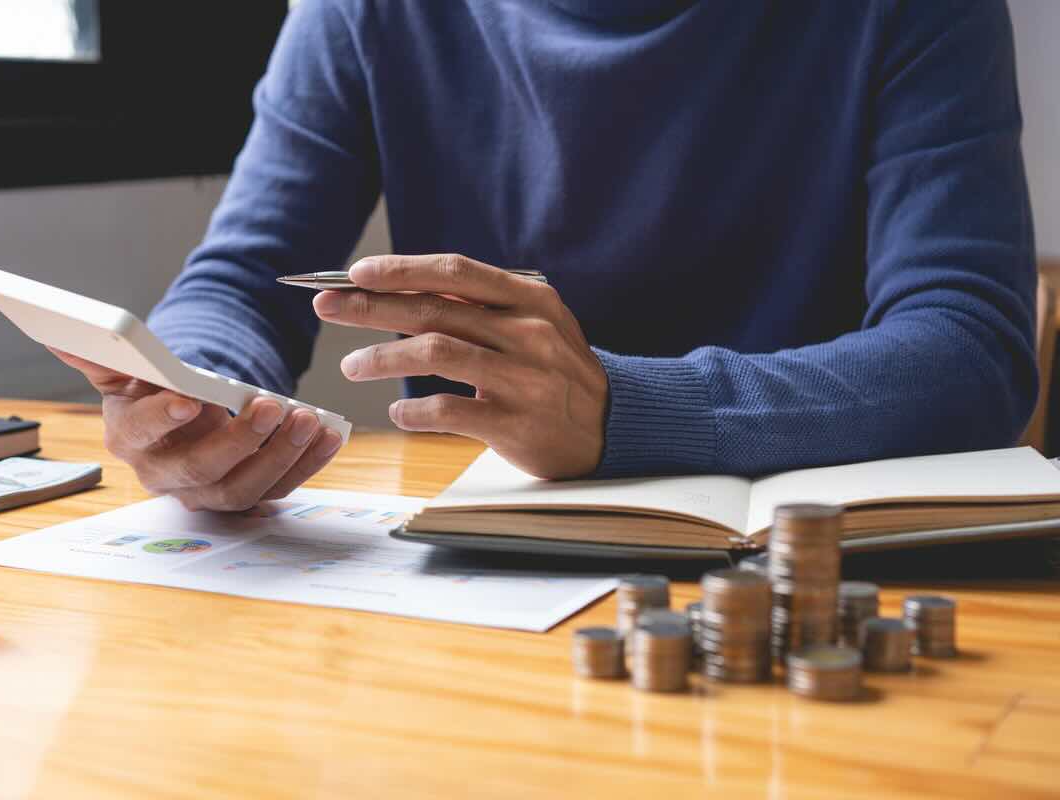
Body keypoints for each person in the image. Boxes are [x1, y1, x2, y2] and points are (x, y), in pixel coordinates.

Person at [56, 0, 1036, 512]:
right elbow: (238, 279)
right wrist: (190, 395)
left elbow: (973, 355)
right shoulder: (361, 12)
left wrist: (622, 408)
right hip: (485, 548)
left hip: (810, 550)